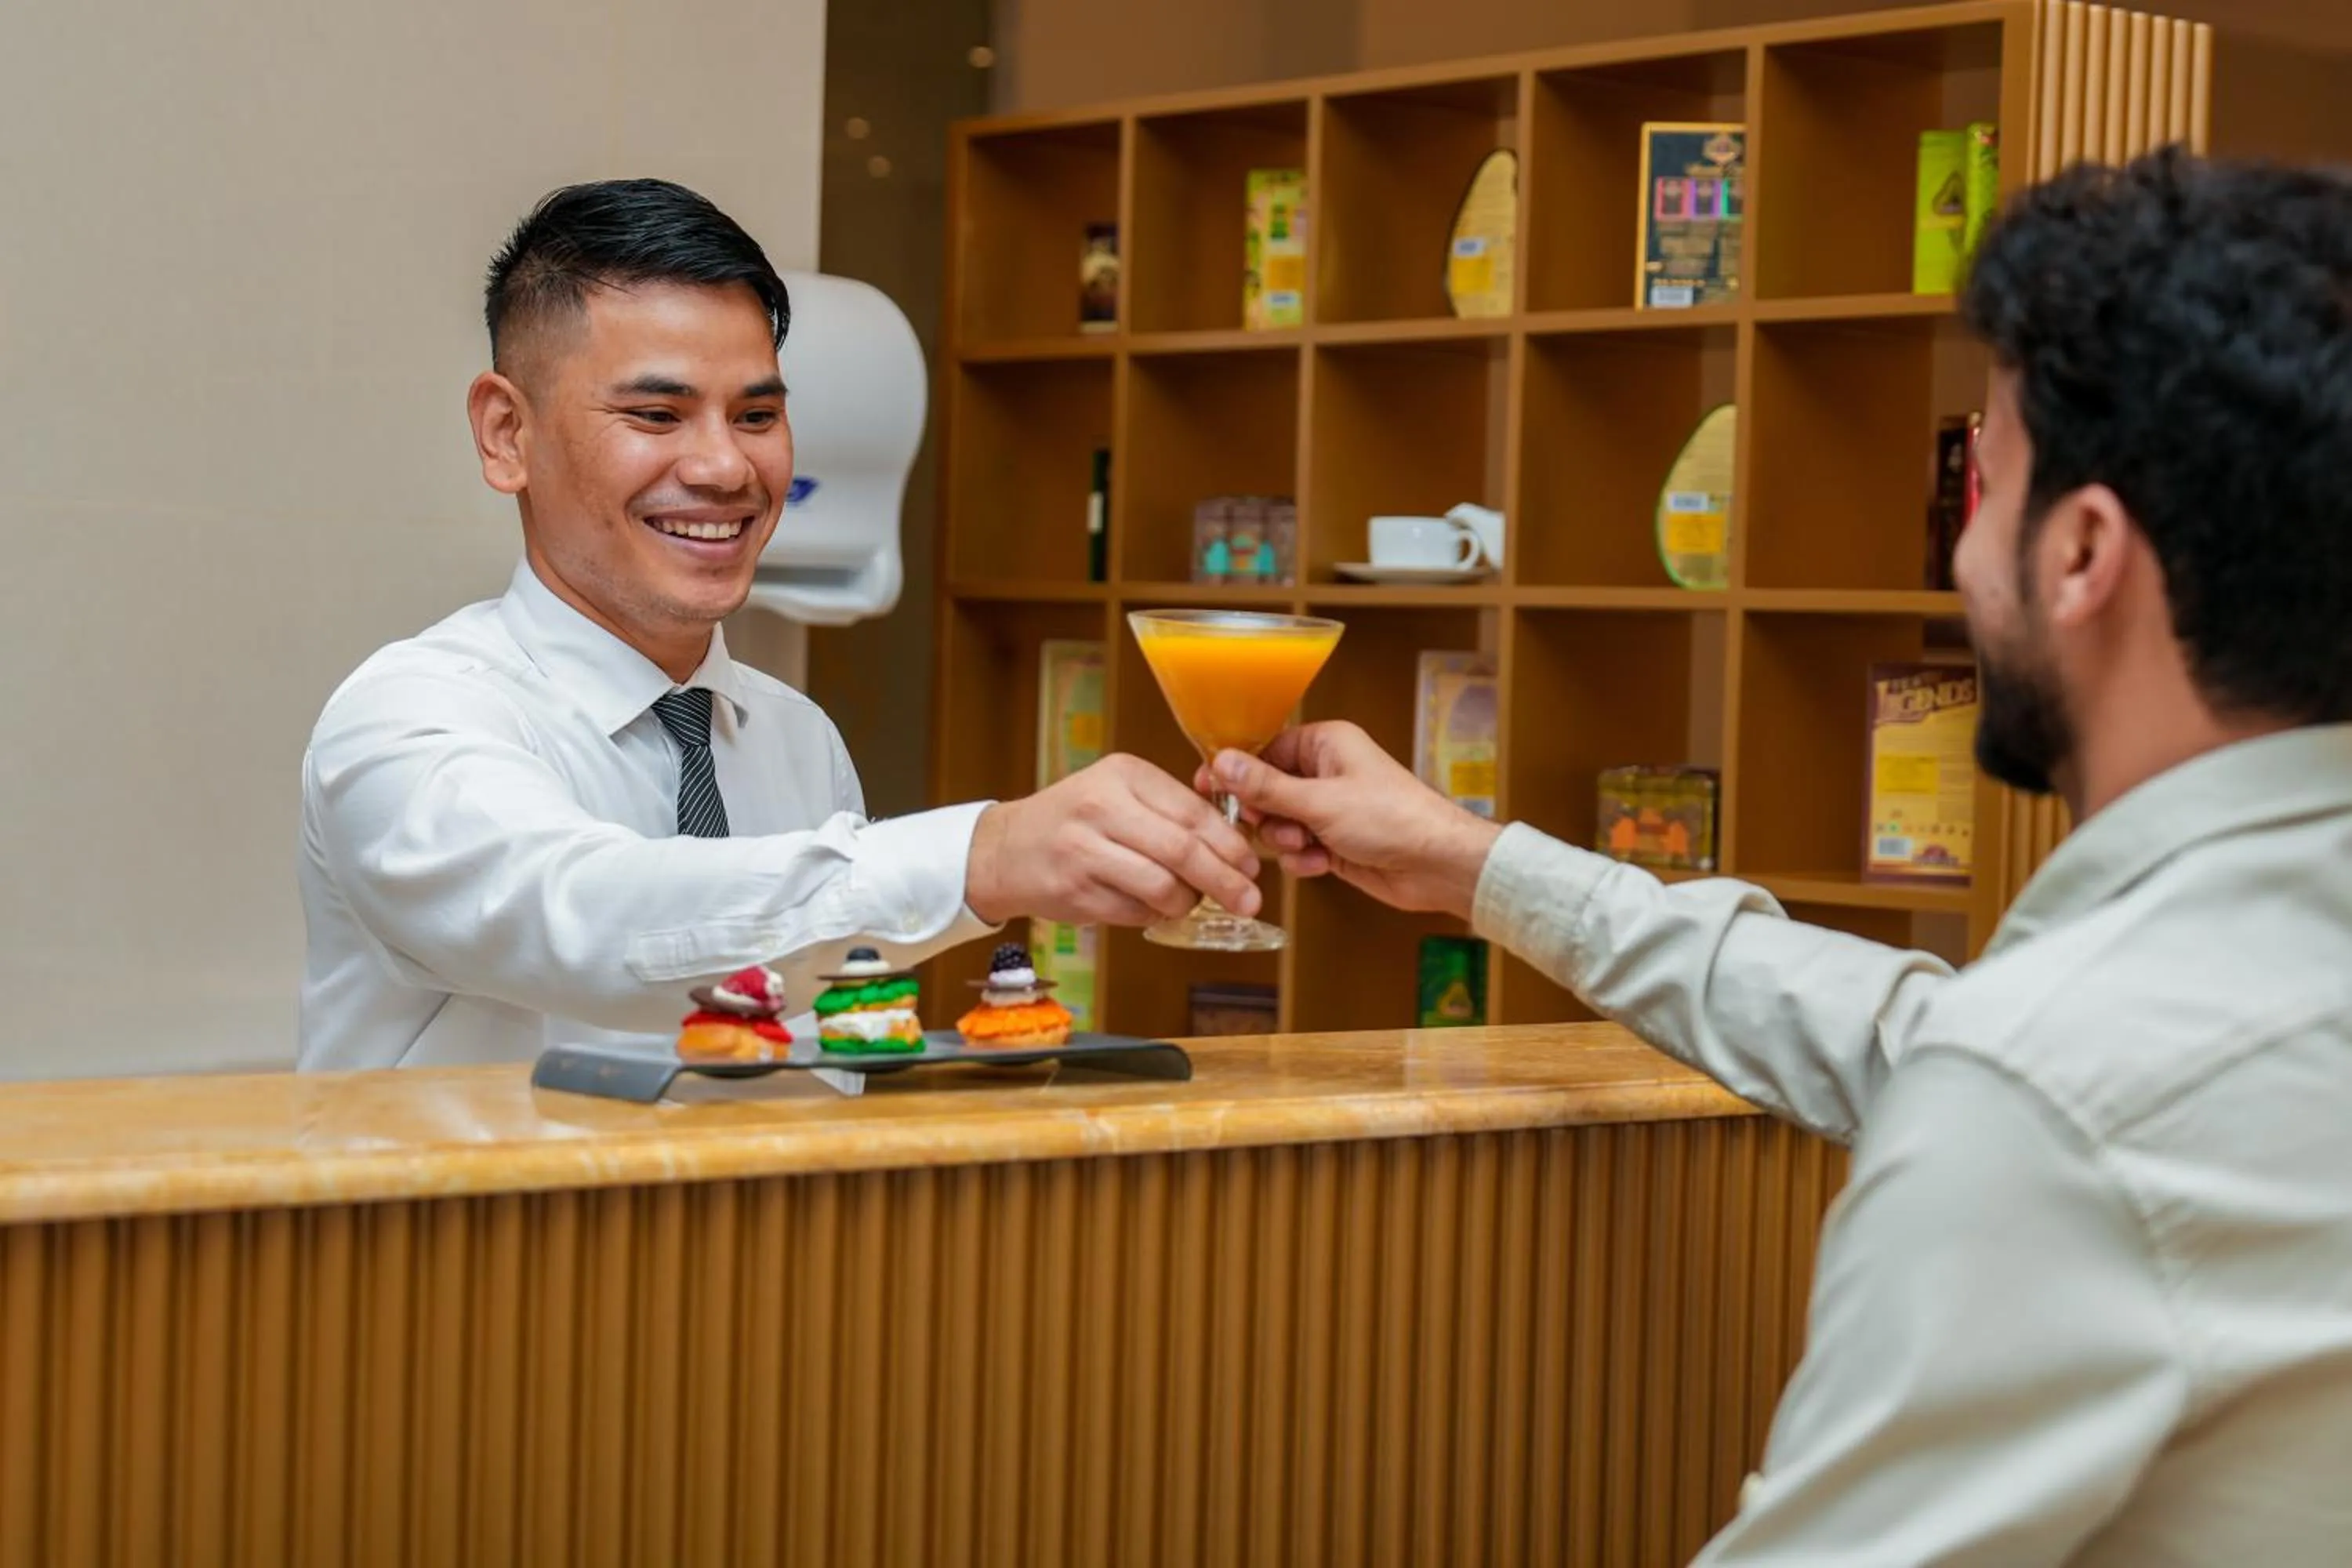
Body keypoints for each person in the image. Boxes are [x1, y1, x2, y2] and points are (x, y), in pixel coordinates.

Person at [1212, 148, 2352, 1564]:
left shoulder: (2051, 1094)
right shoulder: (2189, 1011)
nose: (1961, 563)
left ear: (2082, 555)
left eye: (1986, 490)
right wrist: (1477, 863)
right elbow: (1925, 1040)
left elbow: (2027, 1087)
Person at [298, 179, 1259, 1070]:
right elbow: (594, 924)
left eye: (756, 416)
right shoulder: (407, 720)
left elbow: (815, 1041)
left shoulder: (795, 737)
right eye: (658, 413)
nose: (724, 467)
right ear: (508, 433)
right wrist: (986, 854)